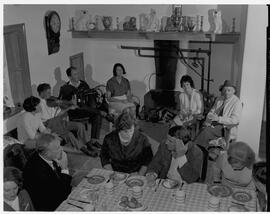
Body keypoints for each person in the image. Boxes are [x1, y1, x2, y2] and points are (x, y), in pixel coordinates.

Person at [37, 83, 97, 157]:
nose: (50, 94)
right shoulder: (39, 104)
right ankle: (85, 150)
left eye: (50, 92)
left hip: (59, 121)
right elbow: (46, 119)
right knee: (69, 134)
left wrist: (69, 107)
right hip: (50, 124)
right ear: (42, 93)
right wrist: (62, 104)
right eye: (48, 92)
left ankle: (88, 144)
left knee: (79, 125)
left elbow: (58, 114)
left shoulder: (50, 101)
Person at [59, 66, 112, 148]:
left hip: (87, 109)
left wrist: (97, 97)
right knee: (84, 107)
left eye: (77, 73)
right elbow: (61, 102)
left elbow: (90, 96)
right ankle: (103, 113)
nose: (77, 76)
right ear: (69, 77)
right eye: (75, 74)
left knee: (97, 115)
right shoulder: (65, 88)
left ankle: (93, 141)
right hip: (75, 112)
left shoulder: (83, 84)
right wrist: (70, 103)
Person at [23, 133, 72, 211]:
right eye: (57, 148)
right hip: (48, 206)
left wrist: (62, 169)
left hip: (56, 191)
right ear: (47, 153)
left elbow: (58, 180)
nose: (61, 149)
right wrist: (64, 168)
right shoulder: (38, 171)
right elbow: (62, 194)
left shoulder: (45, 156)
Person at [194, 80, 243, 148]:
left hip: (224, 127)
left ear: (234, 91)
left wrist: (218, 119)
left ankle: (196, 150)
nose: (226, 92)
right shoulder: (219, 99)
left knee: (206, 131)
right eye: (225, 90)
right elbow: (212, 111)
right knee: (203, 129)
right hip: (213, 123)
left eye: (229, 90)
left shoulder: (237, 102)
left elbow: (235, 120)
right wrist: (208, 121)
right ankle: (200, 151)